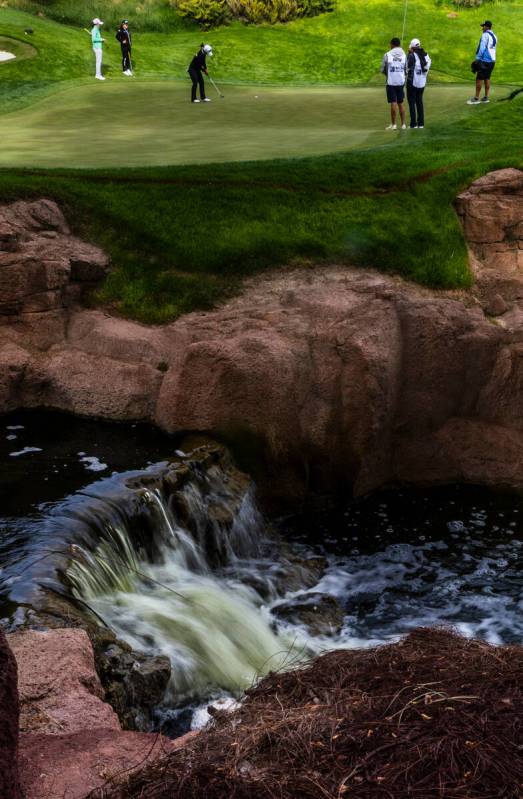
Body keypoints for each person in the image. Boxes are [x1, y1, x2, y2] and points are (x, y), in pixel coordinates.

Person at [380, 37, 407, 130]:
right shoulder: (404, 55)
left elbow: (383, 69)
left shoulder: (387, 55)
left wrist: (387, 74)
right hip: (400, 81)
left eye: (390, 44)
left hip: (391, 81)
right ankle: (403, 124)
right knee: (401, 102)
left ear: (392, 44)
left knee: (393, 102)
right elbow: (406, 69)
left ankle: (394, 124)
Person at [468, 20, 497, 104]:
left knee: (479, 79)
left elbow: (482, 48)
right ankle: (486, 97)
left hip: (484, 60)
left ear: (487, 27)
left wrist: (477, 59)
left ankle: (476, 98)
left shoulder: (485, 35)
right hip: (492, 61)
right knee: (487, 78)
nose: (482, 28)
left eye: (483, 26)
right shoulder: (494, 36)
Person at [406, 38, 431, 128]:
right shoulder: (426, 55)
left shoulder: (412, 55)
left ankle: (413, 124)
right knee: (419, 102)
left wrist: (409, 53)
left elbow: (407, 66)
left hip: (412, 83)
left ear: (412, 47)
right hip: (422, 83)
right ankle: (421, 124)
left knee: (412, 102)